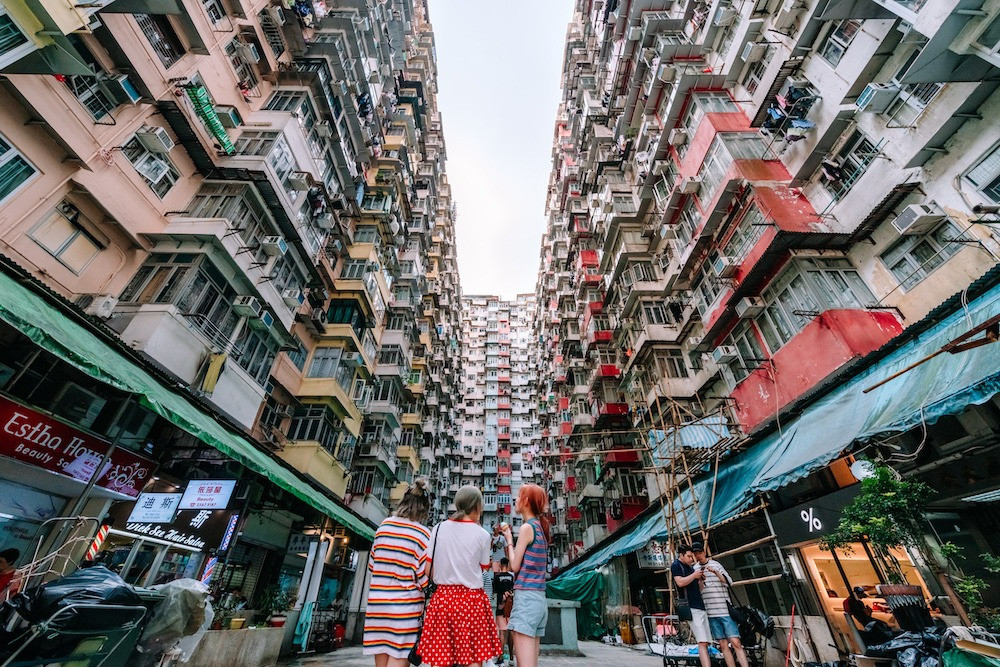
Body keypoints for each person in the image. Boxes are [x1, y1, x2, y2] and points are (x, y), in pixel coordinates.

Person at [418, 485, 502, 667]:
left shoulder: (438, 528)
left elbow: (427, 570)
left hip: (444, 600)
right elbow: (483, 569)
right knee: (472, 658)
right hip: (472, 601)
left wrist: (446, 574)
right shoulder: (483, 535)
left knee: (442, 657)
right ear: (478, 506)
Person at [363, 479, 432, 667]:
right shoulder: (423, 535)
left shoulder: (383, 527)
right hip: (404, 611)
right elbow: (423, 579)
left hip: (377, 607)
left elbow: (372, 566)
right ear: (425, 509)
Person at [500, 484, 550, 667]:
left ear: (526, 501)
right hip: (538, 600)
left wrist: (509, 542)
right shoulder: (541, 529)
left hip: (527, 600)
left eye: (519, 497)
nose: (516, 500)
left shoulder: (527, 528)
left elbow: (514, 566)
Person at [693, 543, 749, 667]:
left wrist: (716, 573)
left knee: (736, 642)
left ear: (704, 552)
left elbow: (729, 582)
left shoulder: (715, 564)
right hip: (710, 611)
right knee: (722, 644)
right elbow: (698, 591)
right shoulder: (695, 569)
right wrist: (700, 580)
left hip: (724, 609)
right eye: (695, 554)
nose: (698, 555)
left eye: (699, 552)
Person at [671, 544, 711, 667]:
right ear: (681, 555)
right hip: (691, 607)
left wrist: (700, 579)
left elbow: (699, 588)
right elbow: (680, 582)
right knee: (702, 641)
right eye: (688, 556)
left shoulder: (690, 568)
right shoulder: (676, 565)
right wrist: (694, 575)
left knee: (707, 641)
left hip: (700, 605)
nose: (691, 559)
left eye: (691, 556)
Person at [493, 557, 516, 665]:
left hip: (500, 606)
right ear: (508, 564)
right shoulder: (512, 576)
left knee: (502, 633)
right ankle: (511, 658)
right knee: (511, 631)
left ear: (500, 565)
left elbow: (495, 592)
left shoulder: (497, 578)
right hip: (511, 606)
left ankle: (500, 658)